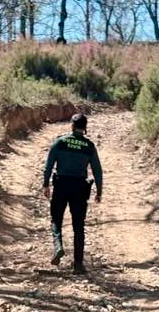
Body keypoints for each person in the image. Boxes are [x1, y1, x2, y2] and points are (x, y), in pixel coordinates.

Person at [42, 114, 103, 274]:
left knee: (56, 219)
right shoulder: (89, 146)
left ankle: (58, 247)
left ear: (72, 126)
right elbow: (97, 170)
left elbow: (49, 165)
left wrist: (46, 184)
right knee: (78, 226)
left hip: (61, 185)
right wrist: (99, 191)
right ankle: (78, 265)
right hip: (79, 188)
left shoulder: (60, 142)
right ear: (85, 127)